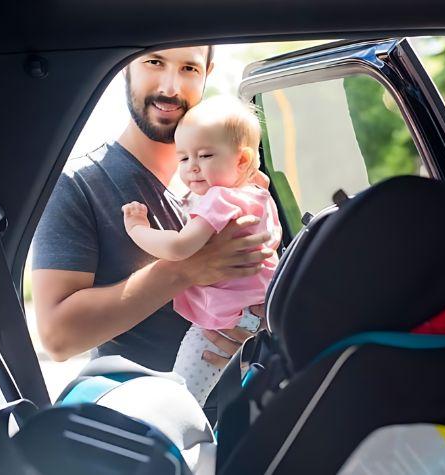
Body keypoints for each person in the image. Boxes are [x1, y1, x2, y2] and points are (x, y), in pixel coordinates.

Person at [31, 46, 273, 379]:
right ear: (124, 66)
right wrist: (184, 270)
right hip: (140, 414)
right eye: (154, 62)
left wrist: (257, 328)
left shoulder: (236, 180)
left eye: (189, 68)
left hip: (242, 406)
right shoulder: (77, 186)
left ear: (207, 73)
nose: (170, 87)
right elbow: (58, 338)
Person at [122, 96, 281, 405]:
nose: (192, 169)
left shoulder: (221, 199)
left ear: (242, 161)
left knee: (184, 397)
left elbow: (179, 247)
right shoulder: (257, 191)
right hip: (257, 313)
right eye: (183, 159)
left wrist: (137, 228)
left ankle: (178, 439)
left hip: (223, 320)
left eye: (205, 155)